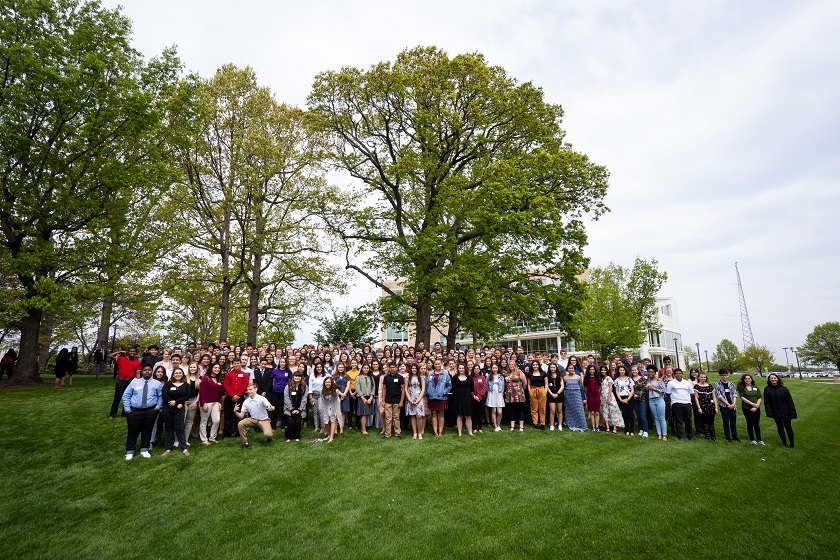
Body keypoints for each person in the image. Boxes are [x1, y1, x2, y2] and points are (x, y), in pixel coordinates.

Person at [121, 364, 163, 460]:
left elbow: (160, 396)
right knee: (132, 431)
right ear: (142, 372)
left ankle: (144, 449)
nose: (147, 371)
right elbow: (126, 396)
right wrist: (127, 409)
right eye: (145, 370)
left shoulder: (157, 383)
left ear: (152, 372)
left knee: (147, 431)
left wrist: (157, 407)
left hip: (150, 411)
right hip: (134, 411)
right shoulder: (134, 383)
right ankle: (130, 451)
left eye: (149, 370)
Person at [234, 381, 275, 448]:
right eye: (247, 390)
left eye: (250, 389)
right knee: (240, 424)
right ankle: (245, 443)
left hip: (263, 419)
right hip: (253, 419)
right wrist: (235, 412)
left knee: (268, 434)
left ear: (255, 389)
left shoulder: (262, 398)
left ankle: (269, 438)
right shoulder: (246, 401)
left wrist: (271, 408)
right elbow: (241, 416)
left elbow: (270, 407)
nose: (249, 391)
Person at [161, 368, 190, 456]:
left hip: (179, 408)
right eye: (176, 373)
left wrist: (177, 402)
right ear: (173, 374)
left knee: (180, 429)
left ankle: (184, 448)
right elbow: (164, 396)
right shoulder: (167, 384)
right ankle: (168, 448)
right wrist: (173, 402)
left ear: (182, 374)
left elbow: (187, 396)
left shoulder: (186, 385)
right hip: (168, 408)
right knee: (168, 429)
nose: (178, 374)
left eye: (180, 373)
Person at [764, 373, 797, 448]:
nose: (773, 379)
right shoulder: (767, 389)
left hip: (786, 412)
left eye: (775, 378)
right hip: (776, 412)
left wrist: (792, 413)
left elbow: (790, 401)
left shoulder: (784, 389)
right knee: (780, 428)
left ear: (778, 379)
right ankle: (784, 443)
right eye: (771, 378)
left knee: (788, 428)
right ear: (769, 380)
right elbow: (767, 402)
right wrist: (769, 413)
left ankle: (791, 444)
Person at [108, 349, 142, 416]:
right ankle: (112, 414)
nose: (132, 352)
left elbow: (138, 373)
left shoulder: (137, 362)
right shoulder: (121, 359)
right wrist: (119, 352)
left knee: (128, 397)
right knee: (117, 398)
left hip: (131, 381)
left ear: (136, 353)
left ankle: (124, 413)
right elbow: (110, 355)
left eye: (134, 351)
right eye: (130, 351)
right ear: (128, 352)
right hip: (122, 381)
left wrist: (139, 382)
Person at [223, 358, 249, 439]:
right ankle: (227, 434)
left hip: (240, 398)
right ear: (232, 364)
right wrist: (232, 395)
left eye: (238, 363)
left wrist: (238, 395)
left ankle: (238, 433)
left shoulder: (244, 375)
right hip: (229, 398)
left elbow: (245, 386)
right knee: (228, 415)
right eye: (235, 363)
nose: (236, 365)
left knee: (239, 416)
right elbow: (226, 386)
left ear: (240, 364)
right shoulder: (228, 374)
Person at [666, 368, 695, 440]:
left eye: (680, 373)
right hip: (676, 403)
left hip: (687, 403)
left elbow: (691, 393)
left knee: (688, 420)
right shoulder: (671, 383)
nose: (679, 375)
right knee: (678, 421)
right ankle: (680, 436)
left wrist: (686, 398)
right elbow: (668, 394)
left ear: (682, 374)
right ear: (674, 375)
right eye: (677, 373)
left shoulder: (687, 383)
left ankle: (690, 435)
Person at [425, 358, 452, 437]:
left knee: (441, 414)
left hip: (441, 397)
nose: (437, 365)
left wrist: (444, 392)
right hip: (432, 397)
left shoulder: (445, 374)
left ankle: (440, 431)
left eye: (438, 364)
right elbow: (426, 386)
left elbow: (449, 385)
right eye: (436, 364)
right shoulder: (430, 375)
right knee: (433, 414)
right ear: (434, 364)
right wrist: (428, 394)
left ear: (441, 364)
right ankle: (435, 431)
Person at [198, 363, 224, 444]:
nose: (217, 369)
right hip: (207, 402)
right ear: (211, 368)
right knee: (204, 421)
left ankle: (212, 437)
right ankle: (204, 439)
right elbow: (201, 392)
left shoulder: (219, 379)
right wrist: (203, 403)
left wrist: (219, 402)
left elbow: (219, 393)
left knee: (216, 420)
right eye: (215, 367)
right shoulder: (206, 378)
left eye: (218, 368)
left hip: (216, 403)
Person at [737, 374, 764, 445]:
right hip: (747, 408)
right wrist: (753, 404)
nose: (748, 380)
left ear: (751, 379)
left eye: (749, 378)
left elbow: (760, 397)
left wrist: (756, 406)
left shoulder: (756, 388)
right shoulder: (742, 388)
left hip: (756, 408)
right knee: (750, 423)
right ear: (743, 380)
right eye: (746, 378)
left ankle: (759, 439)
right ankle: (752, 439)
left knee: (756, 423)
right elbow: (742, 398)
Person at [715, 369, 740, 442]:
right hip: (724, 406)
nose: (724, 377)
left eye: (725, 375)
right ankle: (728, 436)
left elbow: (734, 394)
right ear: (720, 376)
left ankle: (735, 436)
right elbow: (719, 396)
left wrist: (733, 404)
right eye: (722, 375)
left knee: (733, 421)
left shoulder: (731, 384)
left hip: (732, 405)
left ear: (728, 375)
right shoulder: (717, 384)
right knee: (726, 421)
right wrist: (728, 404)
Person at [382, 361, 405, 438]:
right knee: (388, 418)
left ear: (396, 368)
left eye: (393, 367)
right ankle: (387, 434)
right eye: (390, 367)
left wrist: (401, 401)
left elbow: (403, 389)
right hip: (388, 400)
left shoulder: (400, 377)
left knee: (396, 417)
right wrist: (383, 400)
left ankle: (397, 433)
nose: (392, 369)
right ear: (389, 368)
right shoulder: (386, 377)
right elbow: (384, 389)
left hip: (397, 400)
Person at [693, 372, 719, 442]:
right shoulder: (696, 386)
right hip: (702, 405)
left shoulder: (710, 386)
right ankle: (707, 435)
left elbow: (714, 397)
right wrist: (699, 408)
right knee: (705, 420)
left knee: (711, 421)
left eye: (704, 377)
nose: (703, 378)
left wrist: (716, 407)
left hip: (711, 405)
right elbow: (696, 398)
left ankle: (713, 435)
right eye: (701, 377)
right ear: (698, 378)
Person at [283, 371, 307, 442]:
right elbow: (286, 398)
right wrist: (291, 409)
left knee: (298, 422)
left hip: (300, 409)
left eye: (299, 376)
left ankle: (297, 436)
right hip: (289, 409)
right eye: (296, 376)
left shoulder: (304, 387)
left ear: (301, 378)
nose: (297, 377)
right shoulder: (288, 386)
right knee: (291, 422)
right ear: (293, 377)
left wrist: (299, 410)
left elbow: (304, 399)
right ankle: (288, 437)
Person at [451, 363, 474, 436]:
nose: (461, 369)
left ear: (465, 369)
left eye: (462, 368)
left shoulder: (469, 378)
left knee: (468, 416)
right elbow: (453, 387)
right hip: (458, 399)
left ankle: (470, 432)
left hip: (467, 398)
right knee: (459, 415)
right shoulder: (455, 377)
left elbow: (472, 388)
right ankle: (459, 432)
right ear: (458, 369)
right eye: (460, 368)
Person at [562, 364, 587, 432]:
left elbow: (580, 386)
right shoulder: (564, 378)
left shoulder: (578, 377)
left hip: (577, 395)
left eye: (572, 368)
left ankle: (581, 425)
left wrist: (583, 397)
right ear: (567, 369)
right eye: (569, 368)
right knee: (570, 410)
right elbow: (563, 387)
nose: (571, 370)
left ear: (574, 369)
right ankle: (572, 425)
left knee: (579, 410)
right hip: (568, 395)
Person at [645, 365, 667, 440]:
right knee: (656, 418)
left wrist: (653, 388)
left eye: (652, 372)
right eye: (649, 372)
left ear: (655, 372)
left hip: (659, 399)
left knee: (661, 418)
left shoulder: (659, 380)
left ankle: (664, 434)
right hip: (651, 400)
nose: (650, 373)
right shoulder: (647, 381)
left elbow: (664, 391)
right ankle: (659, 434)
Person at [504, 361, 528, 431]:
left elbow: (525, 383)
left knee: (520, 410)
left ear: (515, 365)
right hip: (510, 394)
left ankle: (521, 426)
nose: (511, 366)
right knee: (511, 410)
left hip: (518, 393)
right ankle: (512, 426)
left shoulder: (519, 372)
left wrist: (521, 389)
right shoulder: (507, 373)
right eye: (510, 364)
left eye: (513, 364)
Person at [405, 364, 426, 439]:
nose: (414, 369)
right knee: (412, 416)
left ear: (417, 369)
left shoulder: (421, 378)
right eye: (412, 368)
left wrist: (419, 399)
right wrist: (410, 399)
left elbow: (423, 389)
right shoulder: (407, 378)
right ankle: (414, 433)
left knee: (419, 416)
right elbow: (405, 389)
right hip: (410, 398)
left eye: (415, 368)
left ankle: (420, 433)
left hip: (419, 398)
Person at [600, 365, 623, 434]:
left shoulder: (608, 378)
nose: (603, 371)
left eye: (604, 370)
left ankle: (615, 427)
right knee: (605, 411)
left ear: (607, 371)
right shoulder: (601, 379)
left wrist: (609, 397)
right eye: (602, 370)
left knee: (613, 411)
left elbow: (610, 388)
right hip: (603, 396)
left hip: (609, 396)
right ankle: (607, 427)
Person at [319, 376, 342, 442]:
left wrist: (333, 412)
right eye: (326, 382)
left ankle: (331, 437)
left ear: (332, 383)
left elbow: (335, 401)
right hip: (326, 405)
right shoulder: (321, 391)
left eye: (329, 382)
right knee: (326, 420)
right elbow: (323, 401)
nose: (327, 384)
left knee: (332, 418)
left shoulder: (336, 391)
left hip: (335, 405)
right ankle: (329, 435)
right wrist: (325, 410)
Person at [613, 364, 635, 436]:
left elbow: (632, 390)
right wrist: (620, 399)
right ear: (618, 371)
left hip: (629, 397)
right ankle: (627, 430)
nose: (622, 371)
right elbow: (616, 391)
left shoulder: (629, 379)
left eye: (623, 370)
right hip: (621, 397)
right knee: (624, 414)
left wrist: (628, 398)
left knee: (630, 414)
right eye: (620, 370)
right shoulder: (616, 380)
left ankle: (632, 430)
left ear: (625, 371)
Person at [355, 363, 376, 435]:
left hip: (369, 397)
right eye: (365, 368)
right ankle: (363, 430)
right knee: (363, 414)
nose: (366, 369)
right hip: (362, 397)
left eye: (367, 368)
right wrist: (363, 398)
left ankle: (362, 429)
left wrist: (371, 397)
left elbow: (373, 387)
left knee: (366, 413)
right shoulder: (358, 377)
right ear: (362, 369)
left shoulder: (371, 377)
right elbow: (357, 388)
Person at [526, 360, 547, 429]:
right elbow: (528, 384)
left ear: (539, 365)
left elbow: (546, 383)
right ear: (532, 366)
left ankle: (542, 423)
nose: (535, 366)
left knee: (542, 407)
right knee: (534, 408)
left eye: (536, 365)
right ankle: (535, 422)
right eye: (534, 365)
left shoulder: (543, 373)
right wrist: (529, 391)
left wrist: (545, 391)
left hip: (541, 390)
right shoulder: (529, 374)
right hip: (533, 390)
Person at [485, 363, 505, 432]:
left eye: (496, 368)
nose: (494, 369)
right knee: (494, 411)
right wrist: (488, 394)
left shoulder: (501, 376)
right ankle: (495, 426)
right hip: (492, 393)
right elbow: (486, 386)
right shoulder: (489, 376)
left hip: (499, 394)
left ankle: (499, 425)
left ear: (497, 368)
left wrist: (502, 392)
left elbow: (503, 385)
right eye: (493, 368)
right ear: (491, 369)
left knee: (499, 412)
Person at [630, 365, 649, 438]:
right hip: (634, 400)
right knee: (638, 415)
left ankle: (645, 430)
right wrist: (634, 395)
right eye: (633, 370)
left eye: (635, 370)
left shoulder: (643, 378)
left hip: (642, 399)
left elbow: (644, 389)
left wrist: (637, 395)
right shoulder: (630, 379)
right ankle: (641, 429)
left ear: (638, 371)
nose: (634, 371)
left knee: (643, 416)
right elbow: (630, 389)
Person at [583, 364, 602, 433]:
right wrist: (587, 393)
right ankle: (593, 427)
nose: (592, 371)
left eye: (593, 369)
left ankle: (597, 426)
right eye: (590, 369)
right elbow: (585, 387)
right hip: (589, 396)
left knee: (597, 412)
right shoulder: (586, 378)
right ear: (588, 370)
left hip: (596, 396)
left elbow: (600, 387)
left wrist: (597, 392)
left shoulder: (597, 377)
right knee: (592, 412)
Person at [546, 363, 564, 431]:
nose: (552, 369)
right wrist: (552, 394)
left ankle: (560, 424)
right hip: (551, 395)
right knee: (552, 411)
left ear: (556, 368)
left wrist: (557, 393)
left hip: (559, 395)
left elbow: (562, 386)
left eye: (554, 367)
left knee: (559, 410)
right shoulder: (547, 376)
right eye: (551, 367)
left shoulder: (560, 376)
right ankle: (552, 425)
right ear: (549, 368)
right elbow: (547, 386)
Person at [470, 364, 487, 434]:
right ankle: (474, 428)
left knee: (480, 413)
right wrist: (474, 396)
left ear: (479, 370)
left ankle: (480, 427)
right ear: (473, 370)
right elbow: (470, 388)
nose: (476, 370)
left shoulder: (482, 377)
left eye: (478, 369)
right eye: (475, 369)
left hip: (481, 398)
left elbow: (484, 387)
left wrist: (479, 396)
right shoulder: (470, 378)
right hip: (473, 398)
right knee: (474, 413)